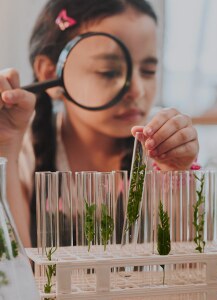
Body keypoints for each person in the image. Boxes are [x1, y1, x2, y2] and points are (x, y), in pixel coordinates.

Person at [0, 0, 199, 248]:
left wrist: (176, 173)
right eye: (109, 71)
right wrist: (6, 146)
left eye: (148, 71)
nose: (137, 91)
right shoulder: (23, 150)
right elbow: (13, 273)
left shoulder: (166, 143)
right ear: (51, 74)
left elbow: (191, 269)